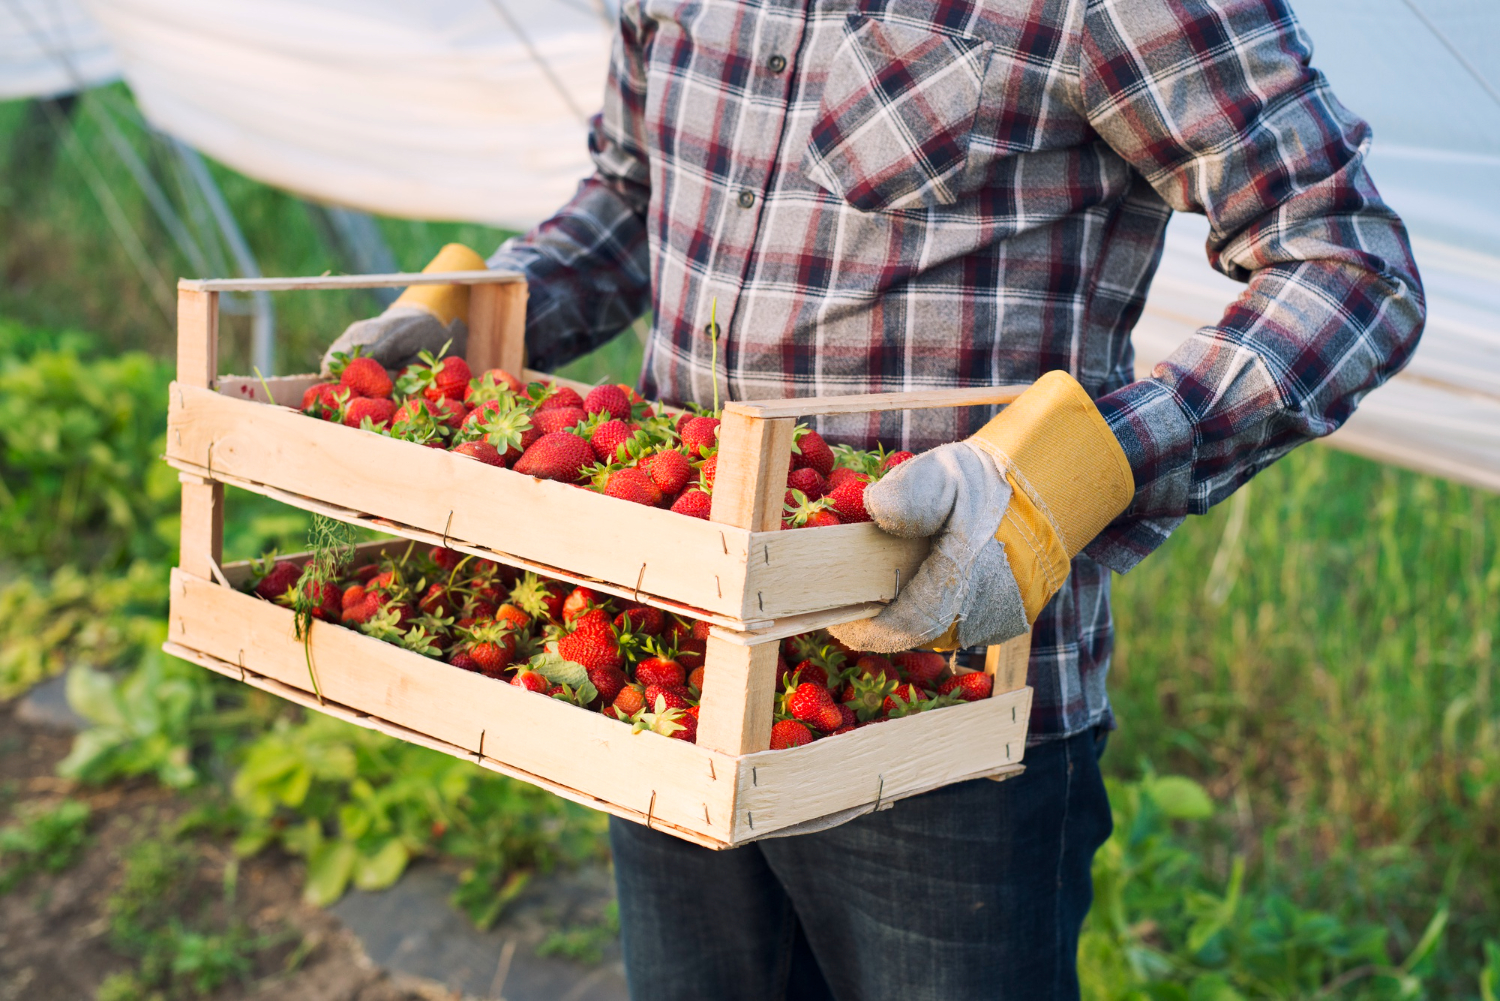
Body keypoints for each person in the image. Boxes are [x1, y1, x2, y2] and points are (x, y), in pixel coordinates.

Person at [324, 1, 1423, 997]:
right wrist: (467, 317)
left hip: (948, 703)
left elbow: (1346, 261)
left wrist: (1064, 479)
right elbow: (631, 198)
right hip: (677, 660)